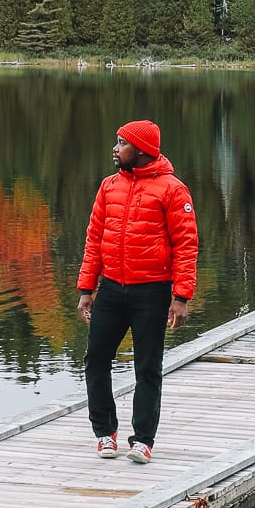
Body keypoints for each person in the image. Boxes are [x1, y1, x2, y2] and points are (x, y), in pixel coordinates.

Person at [77, 118, 198, 465]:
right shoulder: (108, 187)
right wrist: (87, 287)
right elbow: (94, 240)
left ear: (141, 151)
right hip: (112, 290)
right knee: (96, 360)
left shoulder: (173, 190)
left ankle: (143, 440)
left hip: (152, 292)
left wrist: (181, 296)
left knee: (147, 366)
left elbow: (186, 245)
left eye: (121, 143)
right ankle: (105, 433)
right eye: (117, 142)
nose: (115, 149)